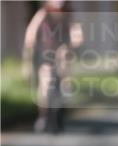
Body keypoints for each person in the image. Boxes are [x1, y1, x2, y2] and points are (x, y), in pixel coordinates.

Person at [22, 0, 80, 133]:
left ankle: (61, 108)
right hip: (46, 53)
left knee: (65, 80)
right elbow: (31, 33)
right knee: (46, 83)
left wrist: (69, 45)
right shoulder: (44, 13)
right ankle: (43, 115)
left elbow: (76, 34)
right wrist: (29, 54)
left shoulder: (68, 14)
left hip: (63, 55)